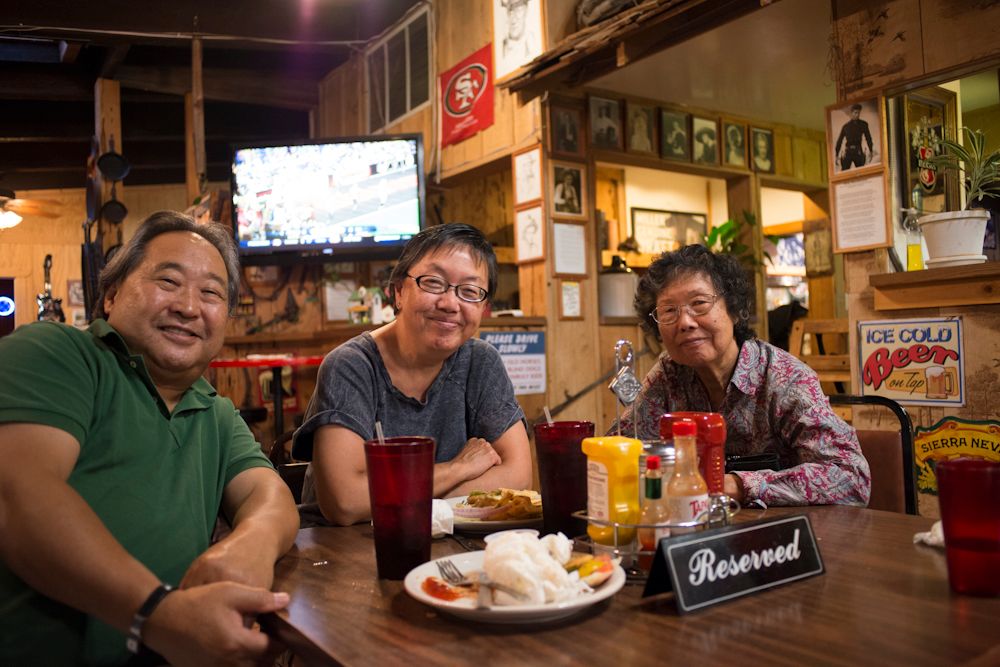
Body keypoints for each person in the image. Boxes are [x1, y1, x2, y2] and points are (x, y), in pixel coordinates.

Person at [0, 211, 300, 665]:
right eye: (169, 282)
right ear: (112, 295)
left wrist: (250, 547)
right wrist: (158, 616)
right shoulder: (57, 353)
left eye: (212, 293)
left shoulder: (213, 410)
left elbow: (269, 494)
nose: (189, 306)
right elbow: (19, 496)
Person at [292, 223, 532, 526]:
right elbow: (346, 502)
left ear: (484, 307)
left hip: (444, 547)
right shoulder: (351, 366)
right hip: (342, 554)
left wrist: (405, 500)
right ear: (398, 291)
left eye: (470, 291)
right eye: (433, 283)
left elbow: (519, 476)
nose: (450, 304)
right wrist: (459, 468)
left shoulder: (480, 362)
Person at [613, 244, 870, 507]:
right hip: (701, 534)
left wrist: (739, 485)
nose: (685, 323)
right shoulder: (669, 372)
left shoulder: (785, 378)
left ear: (734, 310)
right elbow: (620, 449)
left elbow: (851, 477)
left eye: (699, 304)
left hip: (787, 539)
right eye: (669, 311)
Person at [835, 103, 874, 171]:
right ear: (851, 113)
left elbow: (868, 138)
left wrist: (871, 150)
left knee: (861, 171)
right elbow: (839, 141)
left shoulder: (863, 124)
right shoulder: (846, 127)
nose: (857, 115)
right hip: (848, 151)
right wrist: (836, 154)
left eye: (859, 113)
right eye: (855, 113)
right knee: (844, 171)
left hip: (858, 150)